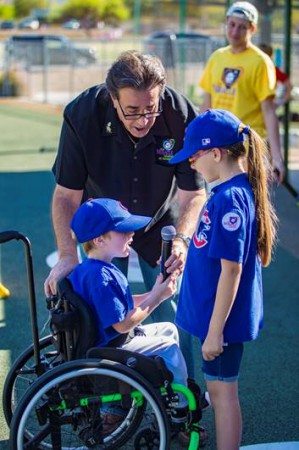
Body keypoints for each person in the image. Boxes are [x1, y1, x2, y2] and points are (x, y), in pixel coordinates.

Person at [44, 50, 207, 377]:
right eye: (132, 111)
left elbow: (194, 192)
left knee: (171, 302)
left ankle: (177, 397)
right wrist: (66, 255)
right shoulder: (83, 114)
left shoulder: (179, 115)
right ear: (112, 99)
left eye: (151, 108)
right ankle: (112, 402)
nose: (144, 120)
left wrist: (182, 240)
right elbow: (66, 195)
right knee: (102, 308)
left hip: (161, 221)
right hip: (105, 224)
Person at [169, 109, 277, 450]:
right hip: (214, 319)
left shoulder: (231, 198)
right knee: (218, 391)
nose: (190, 164)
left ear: (216, 154)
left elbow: (232, 270)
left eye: (195, 156)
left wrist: (215, 332)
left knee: (222, 393)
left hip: (222, 325)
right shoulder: (226, 192)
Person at [68, 197, 188, 422]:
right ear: (100, 239)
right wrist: (156, 297)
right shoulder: (101, 277)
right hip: (111, 346)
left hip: (104, 340)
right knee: (170, 347)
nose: (132, 234)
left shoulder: (90, 269)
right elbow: (122, 323)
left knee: (169, 329)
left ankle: (168, 388)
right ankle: (178, 407)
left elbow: (117, 303)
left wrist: (156, 292)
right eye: (123, 230)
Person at [199, 1, 285, 183]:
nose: (235, 32)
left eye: (242, 27)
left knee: (247, 205)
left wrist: (277, 157)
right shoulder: (217, 57)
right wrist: (198, 142)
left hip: (248, 149)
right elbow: (206, 105)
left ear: (252, 29)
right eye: (231, 24)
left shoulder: (261, 61)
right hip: (218, 148)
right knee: (216, 204)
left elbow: (269, 110)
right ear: (226, 22)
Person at [259, 43, 292, 108]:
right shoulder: (251, 68)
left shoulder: (272, 69)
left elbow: (289, 85)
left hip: (266, 103)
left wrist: (281, 101)